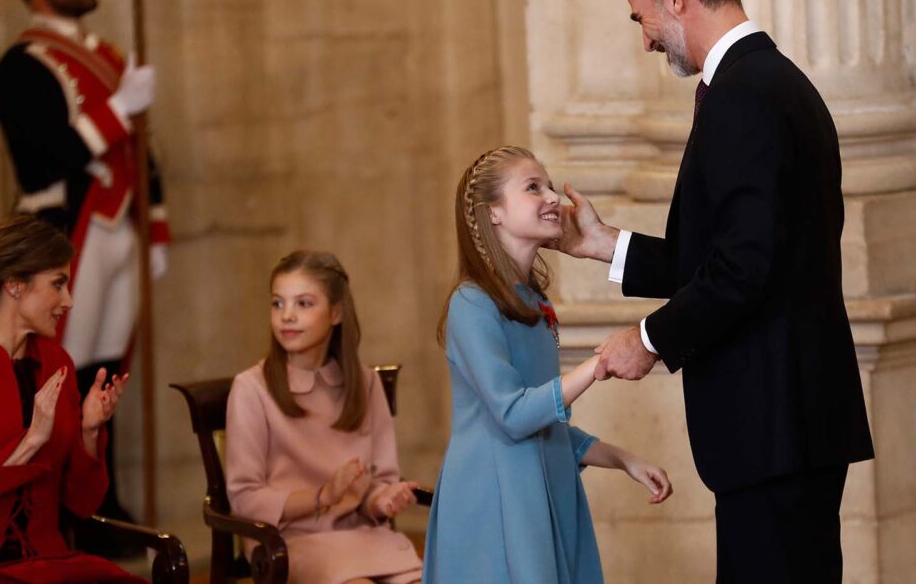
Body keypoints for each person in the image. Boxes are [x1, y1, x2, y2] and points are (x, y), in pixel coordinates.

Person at [555, 0, 874, 582]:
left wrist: (647, 338)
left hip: (774, 427)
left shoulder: (742, 97)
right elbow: (728, 255)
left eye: (640, 16)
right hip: (792, 421)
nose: (643, 39)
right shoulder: (775, 82)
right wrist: (601, 243)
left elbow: (741, 270)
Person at [0, 0, 169, 547]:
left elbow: (141, 152)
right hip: (65, 236)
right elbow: (48, 156)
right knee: (59, 373)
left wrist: (159, 223)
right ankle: (60, 510)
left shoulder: (108, 56)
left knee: (105, 373)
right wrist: (119, 112)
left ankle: (100, 498)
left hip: (118, 228)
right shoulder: (22, 66)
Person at [424, 146, 673, 583]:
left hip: (546, 489)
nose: (553, 198)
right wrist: (597, 366)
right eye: (533, 187)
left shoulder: (535, 303)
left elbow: (547, 424)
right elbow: (514, 414)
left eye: (550, 186)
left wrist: (622, 459)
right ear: (493, 213)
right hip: (497, 498)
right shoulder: (472, 304)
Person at [0, 215, 142, 584]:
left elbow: (82, 505)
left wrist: (89, 432)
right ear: (15, 286)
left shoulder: (57, 364)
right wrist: (30, 440)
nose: (69, 300)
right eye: (58, 284)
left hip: (49, 562)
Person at [225, 250, 424, 584]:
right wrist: (322, 497)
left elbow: (378, 483)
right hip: (289, 544)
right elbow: (245, 497)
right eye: (277, 303)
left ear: (335, 313)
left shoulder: (365, 382)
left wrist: (383, 500)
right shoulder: (250, 388)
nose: (286, 316)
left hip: (362, 539)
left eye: (303, 304)